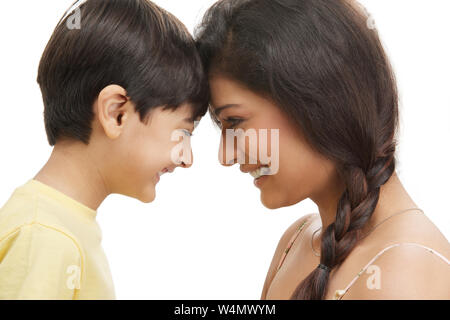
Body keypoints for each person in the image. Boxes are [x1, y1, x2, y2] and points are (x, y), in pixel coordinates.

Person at [195, 0, 450, 299]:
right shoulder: (297, 240)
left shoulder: (406, 271)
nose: (226, 156)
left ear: (316, 101)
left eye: (235, 121)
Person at [0, 0, 208, 299]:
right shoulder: (47, 237)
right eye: (184, 132)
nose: (187, 159)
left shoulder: (57, 226)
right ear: (116, 113)